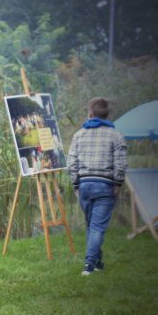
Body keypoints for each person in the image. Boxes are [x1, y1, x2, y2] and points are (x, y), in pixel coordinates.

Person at [67, 97, 127, 276]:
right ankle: (89, 265)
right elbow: (121, 163)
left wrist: (76, 184)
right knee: (97, 227)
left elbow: (71, 163)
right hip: (105, 186)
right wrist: (117, 183)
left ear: (90, 113)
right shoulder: (116, 135)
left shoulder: (79, 135)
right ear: (107, 115)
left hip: (85, 185)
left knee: (92, 226)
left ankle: (97, 261)